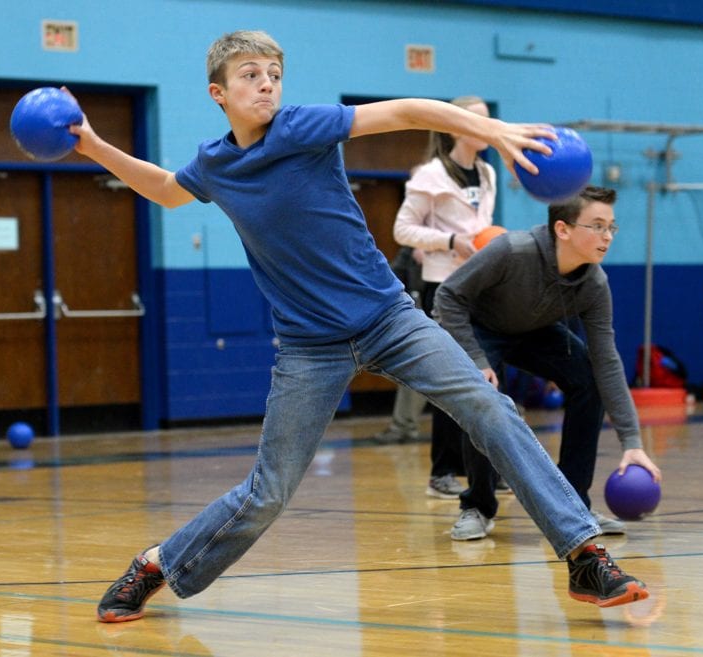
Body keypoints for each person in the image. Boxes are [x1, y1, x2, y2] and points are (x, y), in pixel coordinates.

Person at [74, 30, 648, 622]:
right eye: (250, 74)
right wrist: (93, 146)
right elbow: (166, 191)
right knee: (267, 493)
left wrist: (491, 131)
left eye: (273, 71)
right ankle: (155, 565)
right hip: (308, 347)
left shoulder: (301, 126)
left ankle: (584, 555)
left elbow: (403, 111)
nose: (266, 82)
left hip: (389, 318)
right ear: (217, 92)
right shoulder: (216, 165)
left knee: (490, 406)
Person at [434, 186, 662, 540]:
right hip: (481, 328)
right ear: (563, 229)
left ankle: (572, 504)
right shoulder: (512, 250)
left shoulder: (594, 284)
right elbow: (448, 296)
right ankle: (477, 506)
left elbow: (607, 360)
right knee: (481, 396)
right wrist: (476, 359)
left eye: (611, 227)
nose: (607, 237)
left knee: (589, 379)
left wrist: (632, 442)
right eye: (597, 226)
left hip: (534, 330)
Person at [392, 96, 498, 499]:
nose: (487, 129)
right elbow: (403, 230)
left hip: (482, 284)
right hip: (445, 287)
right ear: (454, 126)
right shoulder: (431, 175)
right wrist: (450, 240)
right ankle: (442, 471)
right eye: (477, 122)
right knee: (451, 380)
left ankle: (486, 470)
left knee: (486, 377)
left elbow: (481, 227)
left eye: (490, 122)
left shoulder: (487, 173)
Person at [373, 246, 428, 443]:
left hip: (462, 318)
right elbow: (392, 277)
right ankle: (403, 426)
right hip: (424, 317)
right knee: (416, 369)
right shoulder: (412, 247)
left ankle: (403, 426)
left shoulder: (468, 239)